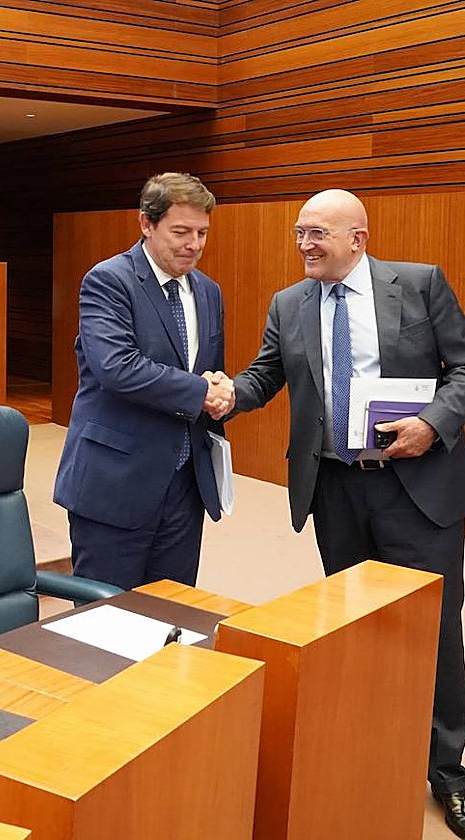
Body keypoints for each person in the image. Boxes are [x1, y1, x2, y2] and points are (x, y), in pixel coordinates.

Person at [228, 188, 465, 836]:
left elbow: (464, 370)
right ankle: (372, 753)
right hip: (334, 490)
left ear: (357, 238)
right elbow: (263, 377)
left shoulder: (418, 285)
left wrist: (432, 424)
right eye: (299, 232)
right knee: (356, 631)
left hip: (417, 487)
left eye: (317, 234)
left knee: (435, 631)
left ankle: (450, 773)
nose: (304, 245)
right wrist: (224, 395)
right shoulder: (289, 304)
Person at [53, 173, 232, 589]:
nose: (194, 244)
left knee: (171, 617)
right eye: (181, 231)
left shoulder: (208, 291)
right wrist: (201, 391)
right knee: (105, 624)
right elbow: (117, 367)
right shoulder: (109, 280)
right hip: (116, 482)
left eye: (202, 232)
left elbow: (204, 373)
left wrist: (220, 390)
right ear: (146, 224)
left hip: (186, 484)